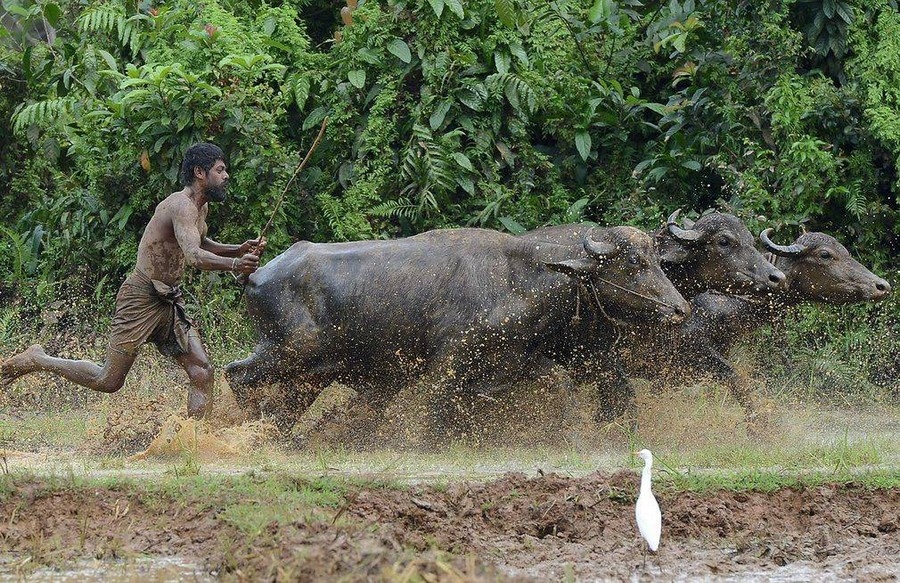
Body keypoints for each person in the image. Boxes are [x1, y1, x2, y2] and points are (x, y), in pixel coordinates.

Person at [0, 143, 266, 419]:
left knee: (202, 371)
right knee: (109, 381)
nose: (226, 176)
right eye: (220, 170)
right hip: (141, 296)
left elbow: (200, 241)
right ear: (200, 172)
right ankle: (38, 359)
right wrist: (236, 264)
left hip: (168, 300)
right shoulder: (181, 205)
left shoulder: (201, 209)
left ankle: (195, 443)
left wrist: (238, 249)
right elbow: (194, 256)